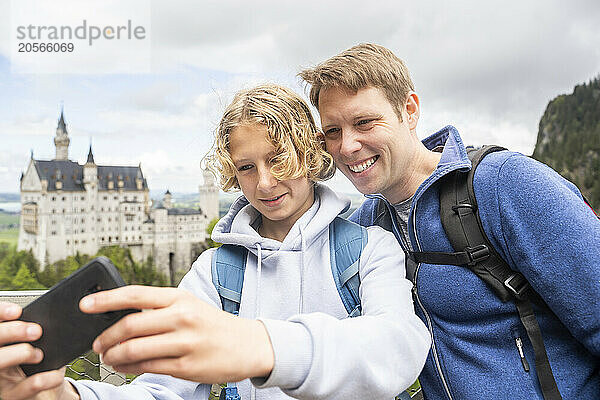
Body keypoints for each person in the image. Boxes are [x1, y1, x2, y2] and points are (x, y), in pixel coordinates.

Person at [0, 83, 431, 400]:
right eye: (246, 167)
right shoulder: (216, 271)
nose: (264, 182)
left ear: (310, 153)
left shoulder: (368, 249)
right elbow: (162, 393)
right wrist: (67, 397)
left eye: (278, 158)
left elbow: (396, 349)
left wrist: (259, 347)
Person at [298, 43, 600, 399]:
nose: (347, 146)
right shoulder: (364, 228)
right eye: (332, 131)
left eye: (364, 122)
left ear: (409, 111)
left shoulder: (505, 186)